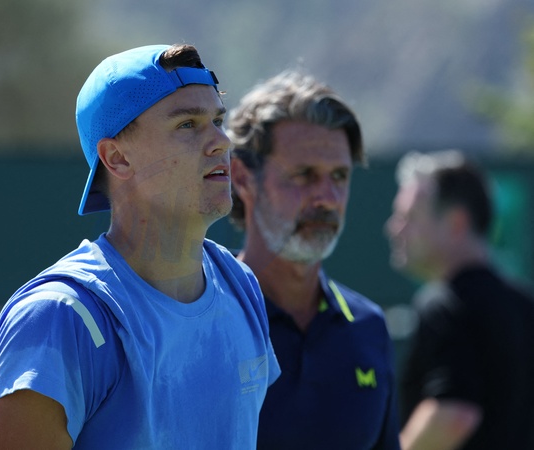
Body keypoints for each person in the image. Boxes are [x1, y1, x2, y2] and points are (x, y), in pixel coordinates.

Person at [0, 44, 281, 450]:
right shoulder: (59, 317)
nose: (222, 142)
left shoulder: (241, 285)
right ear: (117, 158)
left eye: (217, 120)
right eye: (188, 125)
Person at [227, 69, 401, 450]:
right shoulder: (200, 323)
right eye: (304, 174)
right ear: (242, 178)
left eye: (339, 176)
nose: (327, 198)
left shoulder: (368, 327)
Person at [385, 149, 534, 450]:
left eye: (409, 217)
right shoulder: (524, 307)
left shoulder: (445, 305)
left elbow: (453, 415)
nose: (394, 228)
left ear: (456, 223)